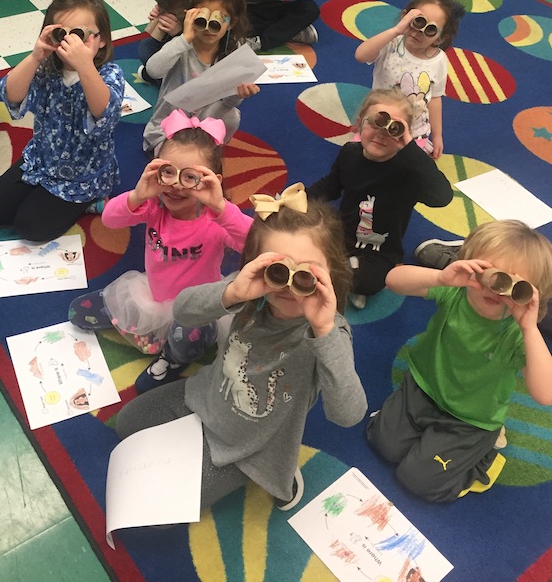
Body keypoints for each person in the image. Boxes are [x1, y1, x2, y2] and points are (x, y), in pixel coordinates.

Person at [115, 183, 367, 512]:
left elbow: (348, 415)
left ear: (331, 272)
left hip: (251, 446)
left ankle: (281, 470)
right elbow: (183, 311)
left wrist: (324, 331)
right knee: (127, 424)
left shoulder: (330, 332)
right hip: (206, 397)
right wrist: (231, 292)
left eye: (306, 274)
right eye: (278, 270)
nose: (289, 285)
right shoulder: (250, 294)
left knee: (160, 508)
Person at [367, 220, 552, 502]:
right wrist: (440, 277)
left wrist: (529, 328)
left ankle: (483, 459)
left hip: (471, 419)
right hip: (423, 388)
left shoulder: (517, 333)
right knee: (383, 444)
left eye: (513, 286)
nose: (496, 291)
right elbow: (393, 280)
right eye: (492, 276)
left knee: (417, 480)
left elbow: (546, 393)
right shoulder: (456, 292)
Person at [68, 109, 253, 392]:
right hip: (151, 295)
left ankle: (174, 358)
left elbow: (256, 242)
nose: (176, 185)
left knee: (186, 336)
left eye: (190, 177)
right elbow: (110, 220)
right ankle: (151, 331)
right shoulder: (154, 207)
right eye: (168, 172)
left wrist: (221, 207)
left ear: (212, 181)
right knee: (78, 312)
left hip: (195, 310)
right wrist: (138, 195)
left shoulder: (216, 221)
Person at [0, 0, 123, 242]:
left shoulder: (109, 73)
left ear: (101, 40)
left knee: (30, 227)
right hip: (42, 158)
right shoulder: (47, 68)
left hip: (82, 173)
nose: (70, 43)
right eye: (61, 34)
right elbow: (11, 95)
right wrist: (36, 56)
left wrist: (84, 65)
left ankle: (90, 201)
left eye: (79, 35)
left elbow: (105, 114)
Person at [307, 88, 453, 309]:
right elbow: (332, 185)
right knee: (303, 243)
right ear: (359, 123)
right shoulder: (350, 153)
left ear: (405, 135)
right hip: (341, 233)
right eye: (376, 122)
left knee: (371, 281)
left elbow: (442, 197)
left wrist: (411, 150)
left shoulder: (408, 170)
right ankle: (345, 272)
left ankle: (347, 275)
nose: (381, 134)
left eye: (394, 129)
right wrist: (299, 199)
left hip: (381, 249)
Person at [142, 0, 259, 153]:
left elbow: (228, 103)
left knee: (232, 116)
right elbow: (153, 70)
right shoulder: (181, 46)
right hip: (171, 120)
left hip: (204, 120)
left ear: (231, 23)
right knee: (176, 158)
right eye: (202, 18)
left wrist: (238, 94)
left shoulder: (231, 52)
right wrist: (184, 38)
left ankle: (205, 149)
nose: (208, 28)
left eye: (218, 20)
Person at [354, 0, 465, 159]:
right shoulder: (391, 43)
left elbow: (435, 98)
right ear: (406, 17)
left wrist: (437, 136)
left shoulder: (439, 60)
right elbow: (361, 56)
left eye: (430, 29)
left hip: (414, 131)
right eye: (417, 21)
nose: (419, 31)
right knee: (360, 157)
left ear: (440, 38)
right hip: (381, 123)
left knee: (411, 167)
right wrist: (396, 30)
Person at [138, 0, 195, 85]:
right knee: (145, 46)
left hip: (189, 59)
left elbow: (196, 49)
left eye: (171, 11)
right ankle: (157, 77)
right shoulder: (175, 6)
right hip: (170, 50)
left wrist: (179, 34)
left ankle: (161, 80)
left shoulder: (196, 14)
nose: (166, 12)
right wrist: (157, 19)